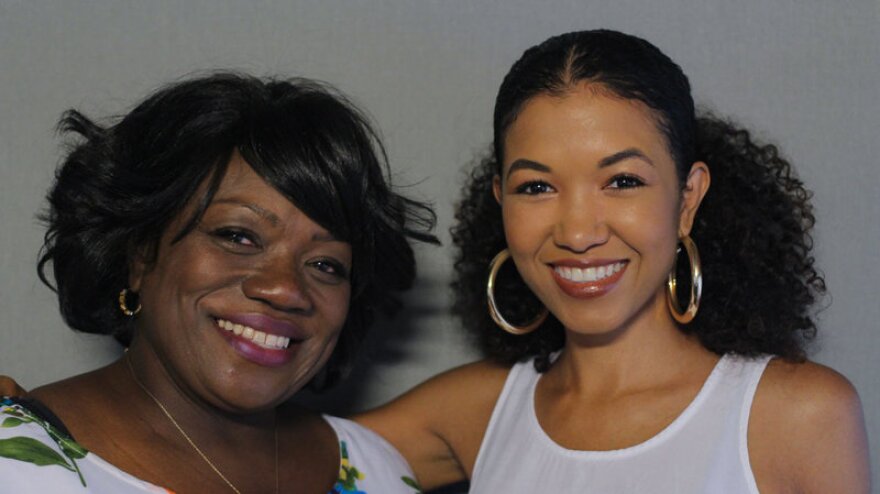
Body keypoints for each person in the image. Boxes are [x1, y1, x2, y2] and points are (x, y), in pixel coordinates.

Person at [357, 30, 871, 492]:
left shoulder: (799, 415)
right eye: (536, 187)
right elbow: (289, 460)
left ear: (687, 200)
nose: (579, 233)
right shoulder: (476, 412)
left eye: (622, 182)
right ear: (501, 202)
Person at [0, 73, 433, 493]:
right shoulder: (13, 462)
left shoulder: (376, 469)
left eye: (325, 265)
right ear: (139, 254)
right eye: (238, 237)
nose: (286, 290)